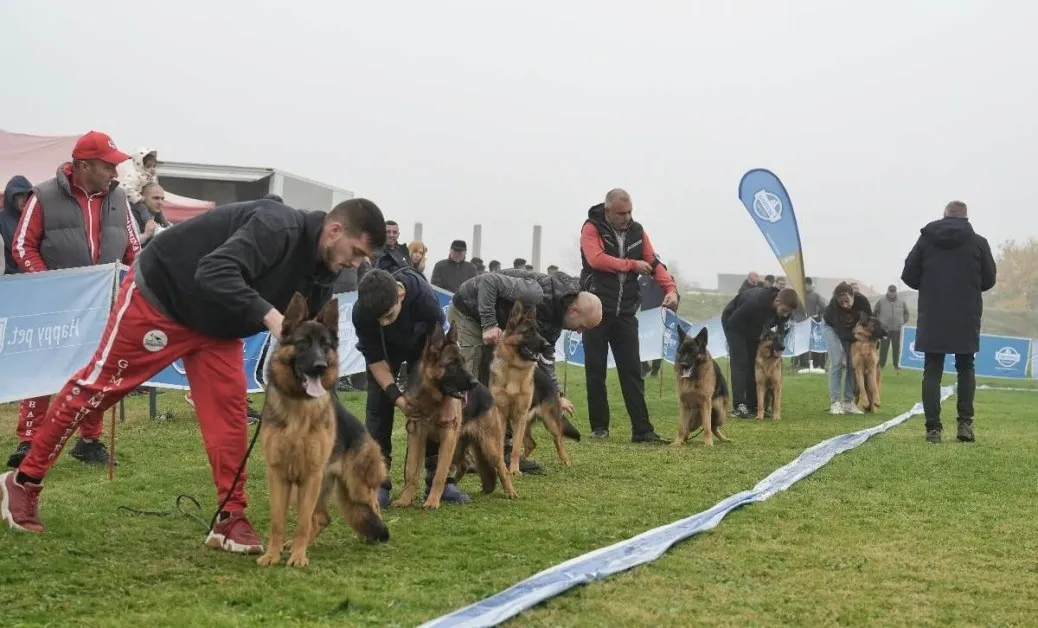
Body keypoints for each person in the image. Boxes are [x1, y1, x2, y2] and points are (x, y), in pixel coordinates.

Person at [0, 197, 386, 551]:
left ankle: (229, 518)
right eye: (356, 252)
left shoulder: (323, 271)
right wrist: (270, 316)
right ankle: (24, 481)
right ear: (335, 231)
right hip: (162, 299)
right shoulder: (276, 226)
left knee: (230, 419)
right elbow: (214, 270)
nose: (357, 263)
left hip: (218, 328)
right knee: (98, 391)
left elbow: (305, 345)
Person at [7, 131, 142, 469]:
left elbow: (134, 250)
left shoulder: (119, 199)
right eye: (108, 166)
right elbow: (23, 246)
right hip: (55, 303)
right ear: (83, 165)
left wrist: (124, 286)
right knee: (43, 369)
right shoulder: (44, 195)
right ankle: (29, 441)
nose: (115, 174)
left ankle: (88, 440)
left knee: (95, 372)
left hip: (102, 303)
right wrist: (52, 286)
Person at [449, 268, 602, 469]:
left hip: (494, 323)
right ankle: (458, 456)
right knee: (471, 385)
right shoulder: (536, 292)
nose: (580, 332)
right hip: (469, 310)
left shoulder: (556, 319)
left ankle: (500, 453)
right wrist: (489, 324)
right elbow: (489, 281)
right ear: (574, 311)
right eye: (583, 326)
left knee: (494, 391)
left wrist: (556, 395)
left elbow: (546, 358)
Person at [353, 268, 470, 507]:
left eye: (388, 315)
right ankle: (378, 482)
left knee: (440, 412)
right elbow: (376, 362)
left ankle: (440, 481)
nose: (383, 323)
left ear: (400, 295)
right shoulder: (362, 313)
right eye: (378, 319)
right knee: (377, 410)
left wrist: (450, 400)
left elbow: (449, 350)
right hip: (386, 354)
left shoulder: (425, 299)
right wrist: (398, 398)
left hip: (424, 351)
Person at [579, 188, 676, 443]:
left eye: (630, 211)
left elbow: (653, 262)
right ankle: (600, 427)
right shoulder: (591, 228)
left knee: (632, 371)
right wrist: (632, 265)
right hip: (596, 312)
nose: (627, 217)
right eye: (622, 213)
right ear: (608, 210)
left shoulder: (637, 231)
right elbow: (596, 259)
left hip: (626, 313)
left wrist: (670, 288)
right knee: (595, 371)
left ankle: (642, 430)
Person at [901, 200, 996, 444]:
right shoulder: (979, 243)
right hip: (966, 312)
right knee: (966, 366)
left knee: (932, 368)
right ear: (966, 218)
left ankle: (933, 429)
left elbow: (908, 275)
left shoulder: (926, 240)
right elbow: (989, 279)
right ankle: (965, 425)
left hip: (933, 312)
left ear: (944, 215)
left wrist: (932, 286)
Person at [721, 286, 800, 418]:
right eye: (784, 311)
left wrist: (777, 346)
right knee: (741, 362)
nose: (786, 314)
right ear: (777, 301)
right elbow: (734, 322)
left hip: (754, 326)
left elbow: (780, 331)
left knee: (754, 361)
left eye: (789, 312)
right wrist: (757, 336)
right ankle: (740, 405)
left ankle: (754, 405)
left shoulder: (785, 309)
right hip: (734, 323)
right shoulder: (754, 302)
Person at [821, 282, 872, 415]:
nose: (844, 305)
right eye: (841, 302)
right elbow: (842, 334)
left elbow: (869, 321)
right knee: (837, 359)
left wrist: (868, 337)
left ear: (852, 295)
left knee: (852, 364)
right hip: (831, 328)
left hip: (851, 330)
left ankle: (848, 402)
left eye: (847, 301)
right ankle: (835, 402)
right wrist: (859, 338)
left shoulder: (862, 301)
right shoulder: (834, 308)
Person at [873, 284, 910, 372]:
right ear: (888, 291)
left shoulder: (901, 302)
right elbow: (875, 313)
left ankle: (896, 365)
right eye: (891, 291)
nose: (892, 293)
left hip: (897, 329)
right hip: (885, 330)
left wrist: (902, 322)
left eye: (894, 291)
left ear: (896, 292)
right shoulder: (881, 301)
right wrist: (879, 324)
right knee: (883, 348)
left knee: (896, 348)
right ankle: (881, 365)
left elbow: (906, 313)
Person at [1, 175, 33, 275]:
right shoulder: (2, 220)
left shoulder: (34, 218)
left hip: (33, 275)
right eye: (19, 195)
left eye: (27, 195)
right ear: (11, 198)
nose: (24, 199)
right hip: (9, 278)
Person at [638, 272, 666, 377]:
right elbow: (636, 297)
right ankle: (644, 367)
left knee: (657, 344)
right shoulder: (642, 280)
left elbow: (673, 295)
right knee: (641, 343)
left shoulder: (665, 279)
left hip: (659, 317)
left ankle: (655, 370)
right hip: (644, 317)